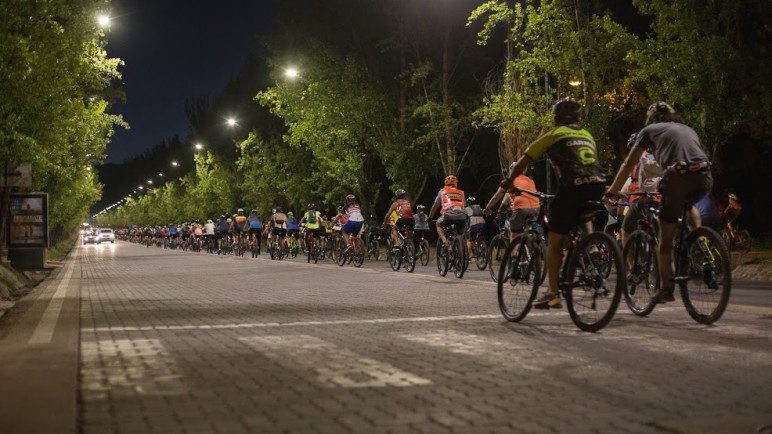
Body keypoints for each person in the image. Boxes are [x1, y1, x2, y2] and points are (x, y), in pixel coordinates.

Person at [485, 97, 607, 309]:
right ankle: (591, 246)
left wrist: (507, 181)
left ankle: (553, 294)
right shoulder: (587, 135)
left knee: (554, 242)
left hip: (573, 185)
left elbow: (523, 161)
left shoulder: (553, 134)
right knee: (581, 212)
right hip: (598, 185)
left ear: (557, 118)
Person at [606, 102, 713, 304]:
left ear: (650, 119)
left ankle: (666, 289)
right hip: (704, 176)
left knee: (665, 243)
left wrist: (612, 190)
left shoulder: (648, 131)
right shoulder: (687, 128)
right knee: (688, 205)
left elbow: (629, 164)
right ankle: (698, 238)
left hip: (677, 177)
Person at [495, 174, 540, 241]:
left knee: (514, 234)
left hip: (519, 210)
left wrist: (498, 213)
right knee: (531, 229)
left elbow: (502, 205)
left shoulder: (510, 188)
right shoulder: (530, 182)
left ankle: (515, 249)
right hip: (535, 208)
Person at [429, 175, 467, 246]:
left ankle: (445, 242)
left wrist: (430, 217)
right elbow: (464, 206)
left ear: (445, 183)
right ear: (456, 183)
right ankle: (461, 248)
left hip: (448, 215)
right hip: (462, 216)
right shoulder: (461, 192)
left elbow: (435, 206)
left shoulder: (442, 192)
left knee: (438, 224)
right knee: (461, 233)